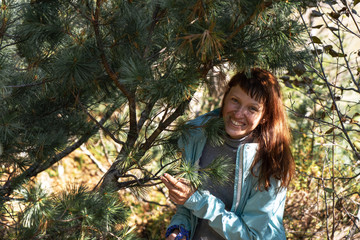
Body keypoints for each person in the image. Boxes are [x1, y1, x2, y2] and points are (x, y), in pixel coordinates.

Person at [160, 68, 295, 240]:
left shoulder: (272, 160)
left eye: (252, 108)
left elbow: (253, 236)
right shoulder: (198, 134)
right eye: (235, 100)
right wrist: (179, 230)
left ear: (265, 117)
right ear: (225, 98)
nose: (239, 114)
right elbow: (186, 206)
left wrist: (197, 200)